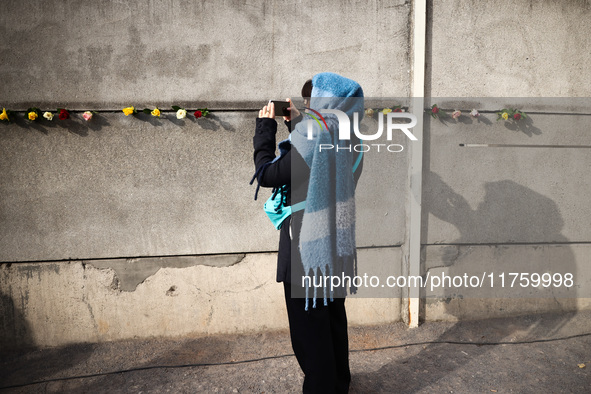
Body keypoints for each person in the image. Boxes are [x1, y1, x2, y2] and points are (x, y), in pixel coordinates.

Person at [251, 72, 364, 393]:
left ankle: (322, 388)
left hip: (307, 248)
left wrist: (265, 130)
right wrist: (297, 124)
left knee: (309, 331)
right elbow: (311, 168)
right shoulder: (349, 136)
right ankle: (339, 381)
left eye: (310, 101)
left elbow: (269, 173)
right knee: (331, 319)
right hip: (336, 242)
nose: (306, 107)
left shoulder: (315, 138)